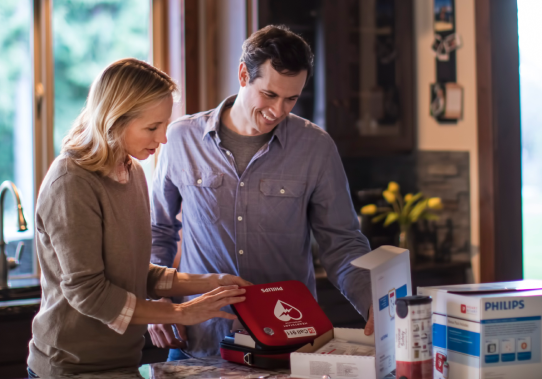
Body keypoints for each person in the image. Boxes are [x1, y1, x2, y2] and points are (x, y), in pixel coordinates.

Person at [148, 25, 375, 361]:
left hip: (289, 342)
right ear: (243, 74)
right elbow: (158, 230)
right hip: (199, 341)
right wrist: (156, 301)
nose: (279, 110)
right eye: (269, 95)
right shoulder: (182, 139)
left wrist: (373, 301)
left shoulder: (316, 147)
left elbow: (342, 242)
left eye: (291, 98)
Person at [27, 58, 253, 379]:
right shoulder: (72, 181)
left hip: (123, 364)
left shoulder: (131, 172)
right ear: (115, 120)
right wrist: (180, 312)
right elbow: (88, 292)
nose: (162, 139)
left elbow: (134, 272)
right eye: (152, 127)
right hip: (69, 370)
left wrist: (213, 282)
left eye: (164, 125)